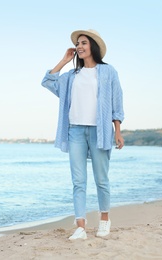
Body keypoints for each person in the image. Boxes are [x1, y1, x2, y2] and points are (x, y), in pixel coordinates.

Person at [41, 29, 124, 240]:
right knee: (78, 181)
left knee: (101, 180)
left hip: (100, 131)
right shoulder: (71, 76)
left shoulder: (108, 72)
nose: (79, 46)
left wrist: (118, 131)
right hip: (75, 131)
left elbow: (116, 104)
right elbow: (48, 81)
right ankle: (80, 226)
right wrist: (64, 60)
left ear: (93, 46)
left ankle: (104, 221)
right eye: (78, 44)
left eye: (83, 43)